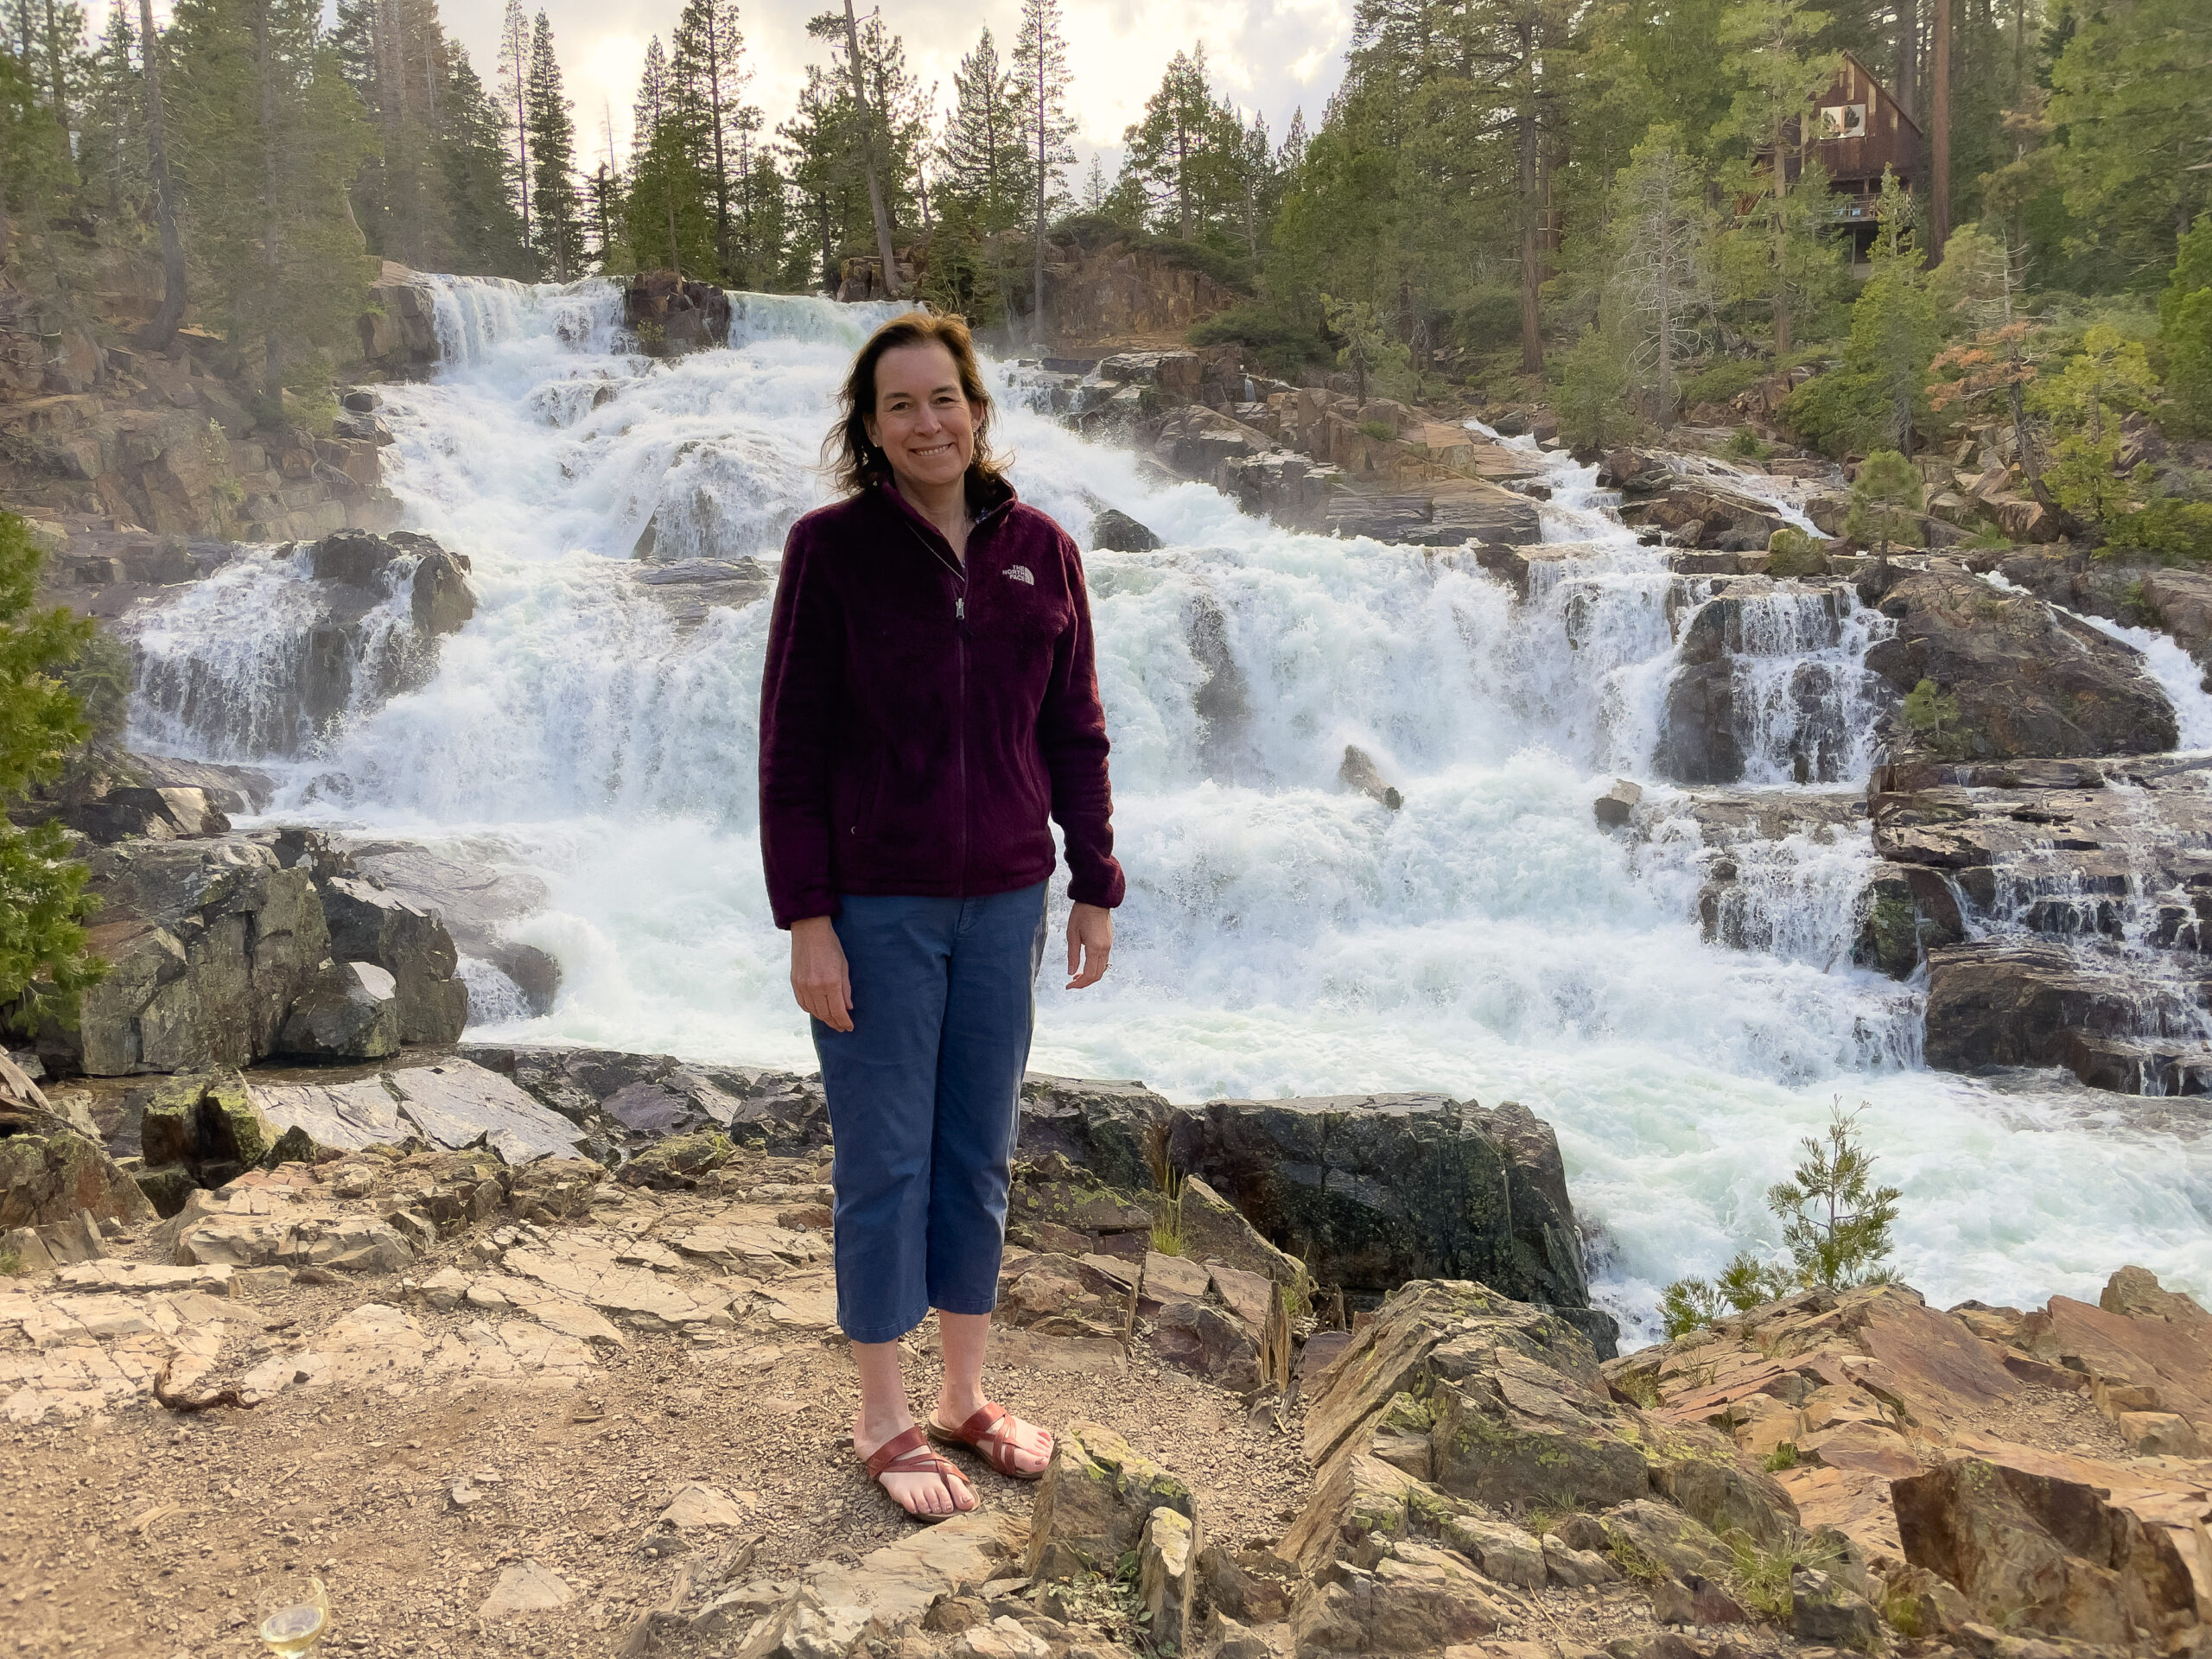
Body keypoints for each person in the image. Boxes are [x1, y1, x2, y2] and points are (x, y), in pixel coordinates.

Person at [757, 312, 1124, 1521]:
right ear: (869, 430)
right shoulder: (832, 551)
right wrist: (808, 919)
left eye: (945, 398)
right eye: (901, 405)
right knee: (884, 1157)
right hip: (879, 908)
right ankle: (882, 1412)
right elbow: (790, 751)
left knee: (977, 1151)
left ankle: (966, 1397)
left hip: (1009, 897)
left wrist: (1095, 883)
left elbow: (1074, 730)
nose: (929, 422)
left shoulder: (1043, 551)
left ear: (978, 407)